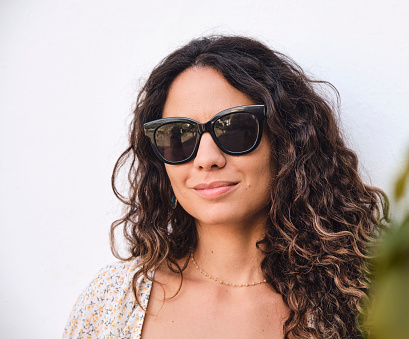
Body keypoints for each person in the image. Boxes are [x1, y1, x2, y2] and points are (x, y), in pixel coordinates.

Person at [63, 35, 388, 339]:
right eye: (178, 135)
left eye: (235, 129)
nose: (207, 159)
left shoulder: (362, 301)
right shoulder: (111, 300)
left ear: (285, 143)